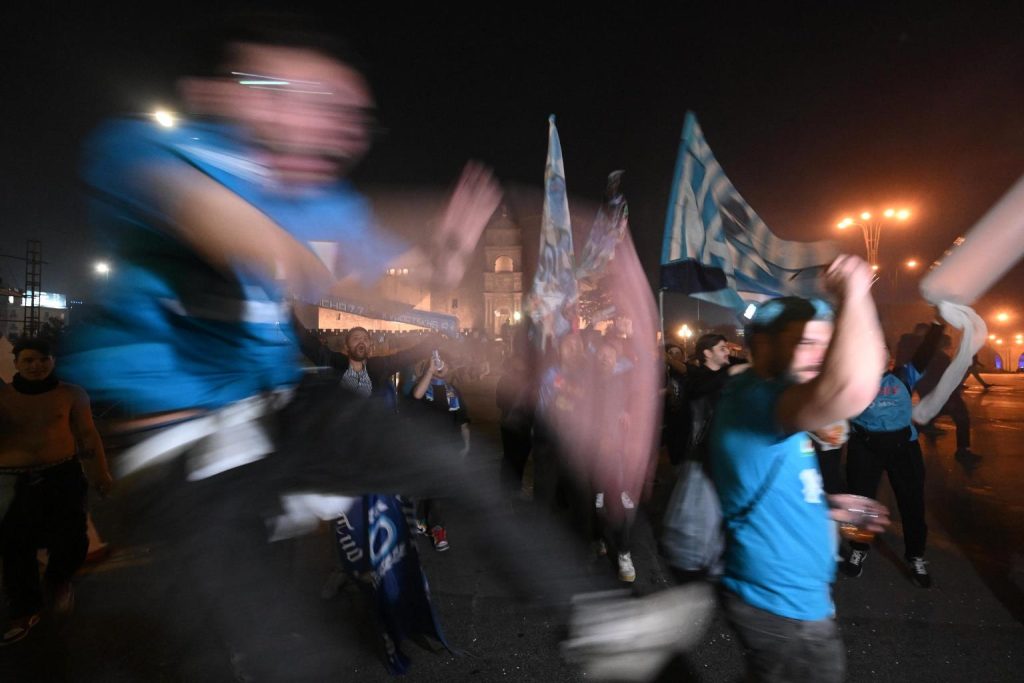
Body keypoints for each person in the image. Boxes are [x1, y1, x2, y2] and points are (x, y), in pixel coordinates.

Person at [708, 255, 890, 683]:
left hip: (785, 596)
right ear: (763, 346)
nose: (819, 357)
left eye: (827, 345)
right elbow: (851, 387)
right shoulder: (761, 401)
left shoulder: (762, 392)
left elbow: (768, 471)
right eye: (804, 342)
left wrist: (823, 505)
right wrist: (855, 290)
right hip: (782, 606)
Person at [0, 338, 113, 645]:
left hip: (61, 474)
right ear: (17, 364)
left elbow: (87, 435)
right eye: (28, 361)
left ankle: (58, 578)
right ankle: (24, 611)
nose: (36, 365)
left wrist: (100, 473)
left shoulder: (71, 394)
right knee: (15, 548)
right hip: (11, 480)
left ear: (52, 361)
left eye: (42, 359)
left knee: (73, 538)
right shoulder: (4, 396)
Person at [843, 320, 944, 587]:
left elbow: (926, 351)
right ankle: (858, 549)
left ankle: (916, 556)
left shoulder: (903, 375)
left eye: (882, 353)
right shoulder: (852, 380)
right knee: (859, 503)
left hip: (903, 448)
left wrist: (938, 323)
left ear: (889, 360)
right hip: (865, 447)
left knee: (911, 503)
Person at [409, 350, 471, 551]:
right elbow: (416, 395)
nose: (440, 367)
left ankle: (437, 528)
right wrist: (429, 371)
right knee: (425, 489)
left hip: (448, 449)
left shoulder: (454, 391)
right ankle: (423, 522)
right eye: (435, 363)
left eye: (444, 364)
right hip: (424, 448)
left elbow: (462, 421)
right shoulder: (420, 386)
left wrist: (466, 445)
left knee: (438, 490)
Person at [916, 334, 979, 463]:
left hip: (934, 395)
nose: (949, 344)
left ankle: (904, 446)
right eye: (948, 342)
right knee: (962, 418)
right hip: (946, 396)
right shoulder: (940, 358)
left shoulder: (928, 356)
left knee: (925, 420)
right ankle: (962, 450)